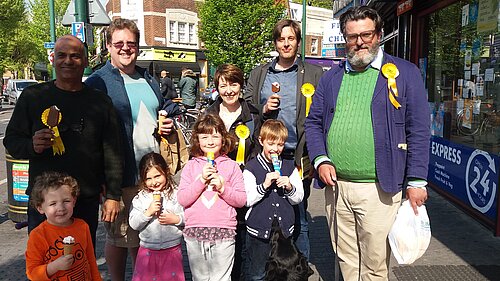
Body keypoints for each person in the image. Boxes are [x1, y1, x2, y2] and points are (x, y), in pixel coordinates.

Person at [305, 6, 430, 281]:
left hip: (379, 189)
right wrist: (320, 159)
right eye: (352, 36)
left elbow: (419, 130)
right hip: (336, 188)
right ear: (345, 38)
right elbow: (313, 123)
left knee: (375, 264)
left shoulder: (404, 73)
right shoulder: (332, 77)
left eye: (366, 34)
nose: (360, 42)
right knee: (346, 259)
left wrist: (417, 180)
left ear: (379, 34)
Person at [3, 35, 123, 247]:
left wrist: (113, 195)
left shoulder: (100, 102)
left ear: (85, 61)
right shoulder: (33, 97)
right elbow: (11, 141)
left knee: (81, 262)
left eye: (75, 56)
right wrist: (31, 146)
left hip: (84, 200)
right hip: (44, 202)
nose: (68, 61)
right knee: (45, 265)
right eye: (62, 55)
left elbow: (112, 151)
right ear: (53, 59)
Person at [84, 18, 175, 281]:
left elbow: (163, 109)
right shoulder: (98, 82)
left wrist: (166, 121)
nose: (126, 48)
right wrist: (102, 178)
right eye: (119, 43)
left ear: (138, 47)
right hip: (120, 174)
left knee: (143, 235)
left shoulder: (148, 78)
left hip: (151, 174)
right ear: (109, 47)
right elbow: (91, 136)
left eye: (131, 43)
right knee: (119, 235)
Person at [244, 19, 324, 260]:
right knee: (264, 209)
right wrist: (264, 107)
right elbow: (247, 105)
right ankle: (268, 267)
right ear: (276, 43)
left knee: (298, 213)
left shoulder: (313, 73)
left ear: (298, 42)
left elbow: (323, 109)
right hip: (266, 156)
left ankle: (300, 269)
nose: (286, 43)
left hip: (298, 154)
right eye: (281, 39)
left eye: (291, 38)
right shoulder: (260, 73)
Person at [205, 63, 261, 280]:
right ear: (217, 88)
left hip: (243, 189)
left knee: (243, 248)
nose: (229, 90)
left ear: (241, 85)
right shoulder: (209, 114)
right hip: (214, 190)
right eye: (223, 85)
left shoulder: (252, 115)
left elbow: (257, 151)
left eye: (233, 84)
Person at [177, 113, 247, 281]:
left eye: (215, 136)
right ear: (197, 140)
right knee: (199, 277)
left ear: (223, 138)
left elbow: (241, 199)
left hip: (224, 231)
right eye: (205, 136)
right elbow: (182, 198)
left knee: (221, 278)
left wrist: (223, 187)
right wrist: (201, 180)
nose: (210, 141)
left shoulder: (231, 166)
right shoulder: (191, 166)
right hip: (195, 231)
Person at [243, 119, 304, 281]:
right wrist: (264, 185)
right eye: (271, 144)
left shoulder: (289, 166)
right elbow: (247, 199)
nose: (275, 149)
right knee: (257, 274)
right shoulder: (251, 168)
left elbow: (298, 198)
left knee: (283, 273)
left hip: (284, 232)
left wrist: (290, 187)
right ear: (261, 141)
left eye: (280, 144)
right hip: (258, 232)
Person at [25, 172, 101, 280]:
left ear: (74, 201)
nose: (61, 208)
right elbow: (32, 273)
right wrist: (54, 267)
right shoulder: (37, 235)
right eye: (53, 204)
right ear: (40, 208)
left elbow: (91, 261)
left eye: (66, 201)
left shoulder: (82, 226)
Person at [129, 152, 185, 281]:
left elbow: (189, 215)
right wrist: (147, 213)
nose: (154, 182)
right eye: (148, 178)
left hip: (172, 249)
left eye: (157, 176)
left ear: (166, 172)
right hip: (147, 250)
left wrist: (177, 219)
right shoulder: (140, 198)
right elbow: (133, 224)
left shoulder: (176, 194)